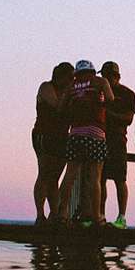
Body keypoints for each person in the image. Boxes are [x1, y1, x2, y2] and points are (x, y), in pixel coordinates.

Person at [56, 60, 114, 225]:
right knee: (95, 176)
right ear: (93, 71)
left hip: (75, 133)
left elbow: (60, 108)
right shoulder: (100, 82)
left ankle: (62, 214)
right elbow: (110, 99)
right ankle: (96, 217)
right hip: (96, 132)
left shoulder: (71, 86)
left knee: (70, 174)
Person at [32, 62, 74, 225]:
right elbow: (57, 106)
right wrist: (69, 94)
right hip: (44, 134)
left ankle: (54, 214)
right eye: (70, 77)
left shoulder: (69, 93)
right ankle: (40, 215)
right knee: (44, 173)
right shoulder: (46, 87)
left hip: (62, 137)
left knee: (55, 177)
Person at [97, 61, 135, 228]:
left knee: (120, 179)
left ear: (117, 77)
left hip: (118, 139)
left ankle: (121, 217)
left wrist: (108, 114)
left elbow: (128, 119)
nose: (105, 79)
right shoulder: (98, 91)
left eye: (108, 76)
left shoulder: (128, 94)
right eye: (103, 76)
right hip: (100, 138)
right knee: (100, 178)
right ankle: (100, 215)